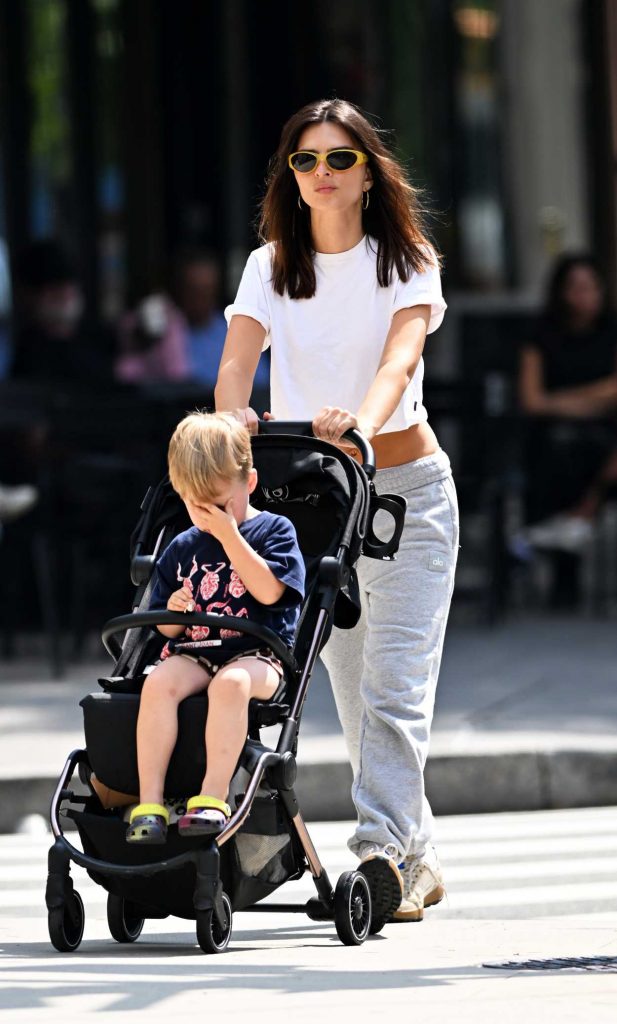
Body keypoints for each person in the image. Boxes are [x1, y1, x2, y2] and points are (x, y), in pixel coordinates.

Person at [214, 99, 458, 926]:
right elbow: (234, 368)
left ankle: (379, 856)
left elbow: (400, 360)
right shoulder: (269, 265)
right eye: (305, 161)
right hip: (315, 505)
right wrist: (233, 420)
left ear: (366, 172)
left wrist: (356, 416)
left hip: (405, 497)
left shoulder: (406, 258)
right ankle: (413, 858)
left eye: (339, 160)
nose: (321, 174)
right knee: (352, 694)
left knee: (392, 689)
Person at [126, 411, 305, 844]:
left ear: (251, 483)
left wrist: (230, 536)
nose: (208, 518)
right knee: (158, 683)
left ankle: (212, 796)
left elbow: (268, 592)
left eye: (220, 505)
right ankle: (150, 801)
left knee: (230, 685)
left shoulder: (273, 531)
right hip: (198, 649)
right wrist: (174, 609)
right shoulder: (182, 545)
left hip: (258, 654)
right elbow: (165, 633)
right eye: (195, 506)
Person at [517, 255, 617, 591]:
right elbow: (532, 401)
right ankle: (574, 526)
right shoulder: (539, 335)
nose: (584, 296)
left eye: (590, 287)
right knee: (562, 445)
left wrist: (559, 401)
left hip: (605, 432)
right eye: (575, 288)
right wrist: (593, 401)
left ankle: (577, 519)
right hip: (553, 437)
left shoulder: (611, 330)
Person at [11, 239, 114, 385]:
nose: (67, 295)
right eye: (55, 290)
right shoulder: (32, 354)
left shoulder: (96, 339)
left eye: (70, 287)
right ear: (32, 296)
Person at [173, 247, 271, 395]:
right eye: (194, 291)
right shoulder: (167, 331)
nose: (200, 300)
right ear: (181, 291)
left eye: (206, 291)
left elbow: (260, 382)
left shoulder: (235, 329)